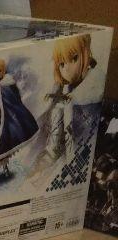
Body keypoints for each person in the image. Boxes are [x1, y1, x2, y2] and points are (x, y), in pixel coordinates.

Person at [33, 35, 98, 179]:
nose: (67, 69)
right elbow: (54, 146)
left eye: (74, 58)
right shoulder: (63, 96)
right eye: (62, 64)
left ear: (85, 53)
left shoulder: (93, 91)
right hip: (69, 167)